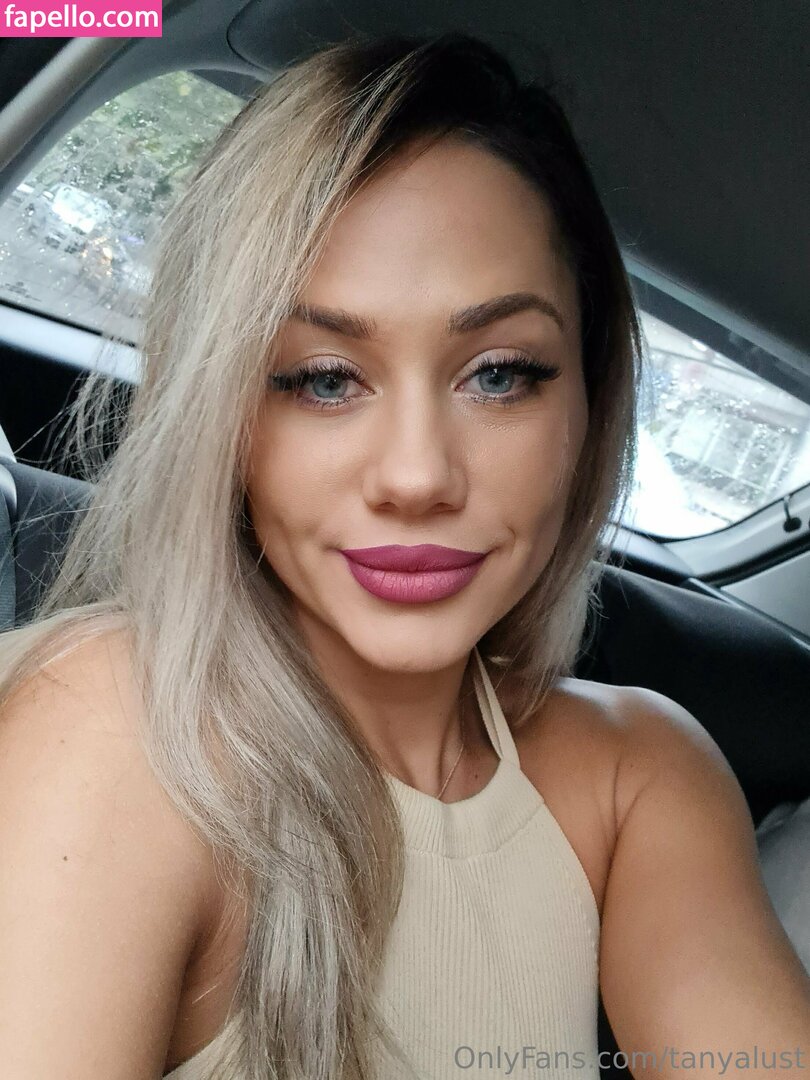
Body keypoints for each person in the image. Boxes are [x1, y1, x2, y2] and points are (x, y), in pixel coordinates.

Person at [0, 32, 808, 1080]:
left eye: (500, 374)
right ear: (222, 414)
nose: (418, 475)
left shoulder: (642, 772)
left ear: (591, 401)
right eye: (324, 378)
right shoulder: (115, 725)